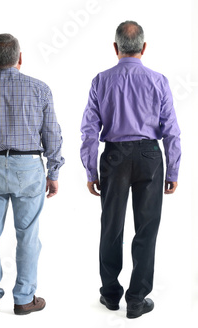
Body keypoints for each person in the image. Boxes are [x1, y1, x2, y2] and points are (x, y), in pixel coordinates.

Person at [0, 33, 64, 315]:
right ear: (20, 58)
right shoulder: (40, 89)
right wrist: (53, 171)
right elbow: (52, 134)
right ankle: (24, 298)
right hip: (28, 167)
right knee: (28, 234)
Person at [80, 21, 181, 319]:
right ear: (144, 48)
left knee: (111, 226)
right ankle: (136, 299)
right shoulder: (159, 80)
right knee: (146, 229)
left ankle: (110, 295)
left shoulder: (101, 80)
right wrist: (173, 170)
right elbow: (172, 130)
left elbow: (88, 130)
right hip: (150, 156)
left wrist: (90, 170)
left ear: (116, 48)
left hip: (114, 157)